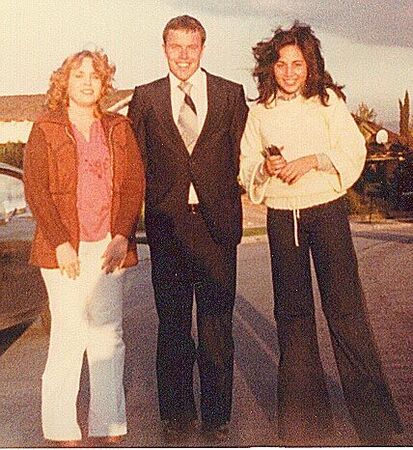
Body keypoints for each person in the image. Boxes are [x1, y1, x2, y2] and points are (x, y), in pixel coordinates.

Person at [240, 22, 403, 446]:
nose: (290, 72)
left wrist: (314, 159)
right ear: (269, 67)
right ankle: (305, 428)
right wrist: (266, 168)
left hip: (327, 214)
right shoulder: (259, 113)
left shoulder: (329, 103)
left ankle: (377, 426)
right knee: (293, 320)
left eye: (298, 64)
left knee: (347, 315)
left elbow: (353, 151)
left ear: (310, 66)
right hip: (282, 217)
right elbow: (246, 167)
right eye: (282, 64)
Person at [128, 15, 248, 442]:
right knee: (174, 325)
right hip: (168, 226)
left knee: (217, 326)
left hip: (216, 226)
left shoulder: (230, 95)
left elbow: (243, 156)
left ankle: (217, 418)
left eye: (191, 46)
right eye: (175, 46)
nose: (183, 55)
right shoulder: (145, 98)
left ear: (202, 48)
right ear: (164, 48)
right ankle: (176, 416)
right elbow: (133, 168)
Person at [23, 50, 145, 447]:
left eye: (95, 75)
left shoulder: (118, 128)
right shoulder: (45, 128)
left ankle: (109, 424)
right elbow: (36, 189)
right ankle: (61, 429)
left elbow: (132, 186)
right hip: (65, 252)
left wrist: (122, 235)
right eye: (79, 75)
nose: (88, 81)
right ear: (65, 82)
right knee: (69, 333)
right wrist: (60, 243)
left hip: (109, 248)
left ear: (104, 83)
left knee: (109, 336)